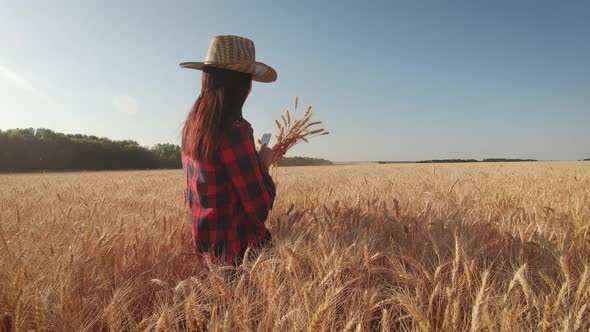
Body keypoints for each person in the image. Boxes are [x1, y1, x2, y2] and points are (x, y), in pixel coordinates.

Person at [179, 35, 278, 265]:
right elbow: (260, 209)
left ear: (207, 78)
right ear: (243, 85)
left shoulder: (193, 127)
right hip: (238, 257)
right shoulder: (235, 130)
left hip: (207, 254)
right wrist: (263, 165)